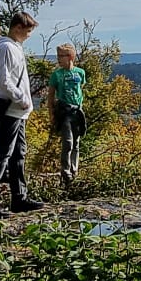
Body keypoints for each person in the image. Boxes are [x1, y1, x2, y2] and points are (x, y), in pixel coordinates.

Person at [0, 12, 38, 220]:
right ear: (18, 28)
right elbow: (3, 80)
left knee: (18, 153)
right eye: (28, 31)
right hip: (11, 109)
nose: (29, 35)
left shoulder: (14, 47)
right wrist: (21, 98)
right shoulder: (6, 47)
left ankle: (19, 198)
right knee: (2, 155)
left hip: (18, 111)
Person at [47, 43, 88, 189]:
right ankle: (65, 172)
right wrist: (51, 113)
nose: (58, 59)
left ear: (70, 57)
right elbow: (51, 95)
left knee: (76, 142)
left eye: (61, 56)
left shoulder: (80, 73)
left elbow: (80, 90)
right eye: (57, 56)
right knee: (68, 142)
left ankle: (74, 170)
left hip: (77, 111)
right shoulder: (56, 75)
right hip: (64, 112)